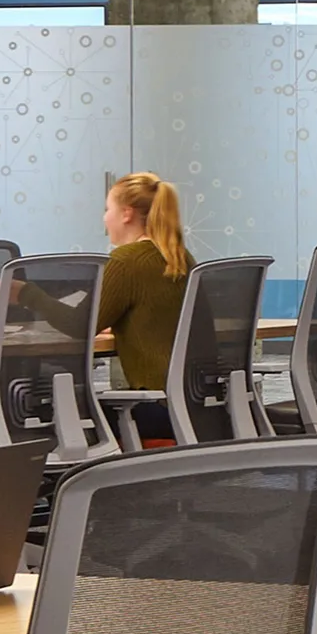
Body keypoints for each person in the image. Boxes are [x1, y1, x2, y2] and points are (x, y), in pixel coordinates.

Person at [98, 171, 191, 445]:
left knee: (66, 413)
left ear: (126, 214)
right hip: (193, 403)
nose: (105, 218)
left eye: (108, 209)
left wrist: (27, 295)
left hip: (155, 407)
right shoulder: (181, 257)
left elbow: (80, 326)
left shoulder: (126, 260)